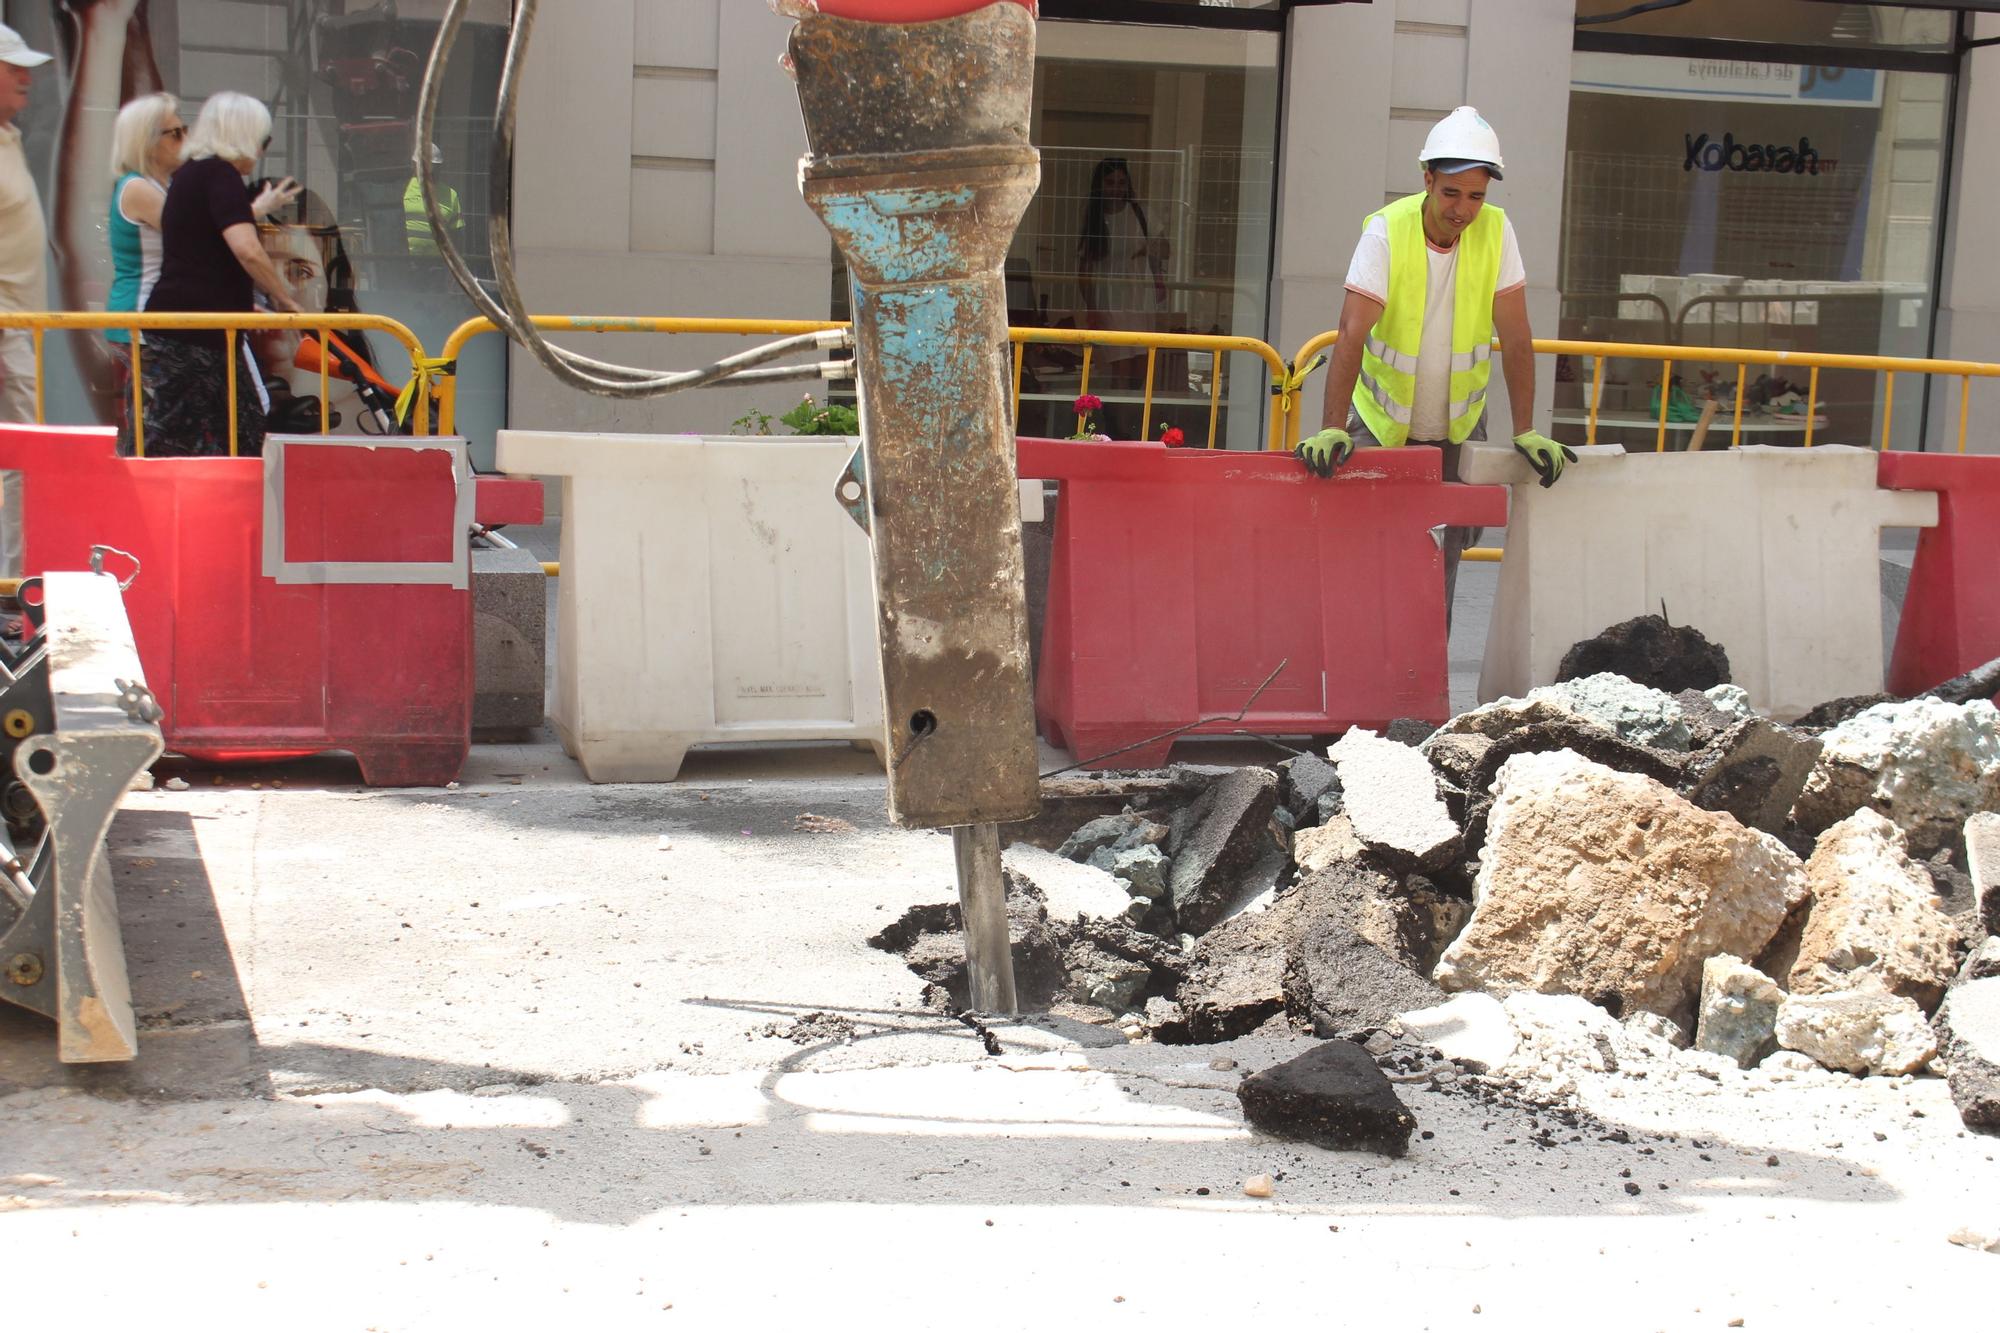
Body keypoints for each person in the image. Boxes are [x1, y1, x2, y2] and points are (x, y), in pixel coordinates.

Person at [1297, 106, 1574, 617]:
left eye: (1476, 195)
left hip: (1456, 428)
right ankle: (1361, 680)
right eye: (1451, 193)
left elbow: (1516, 336)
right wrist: (1332, 426)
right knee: (1364, 554)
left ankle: (1424, 692)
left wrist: (1528, 428)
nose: (1462, 210)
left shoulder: (1496, 230)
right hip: (1380, 427)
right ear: (1427, 179)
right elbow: (1352, 333)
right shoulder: (1387, 231)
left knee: (1439, 567)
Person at [140, 90, 302, 456]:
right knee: (190, 433)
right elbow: (246, 249)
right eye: (262, 140)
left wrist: (245, 302)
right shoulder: (218, 175)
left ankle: (220, 504)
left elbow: (205, 250)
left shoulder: (195, 175)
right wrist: (286, 298)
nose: (261, 151)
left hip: (198, 329)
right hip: (192, 332)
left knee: (229, 427)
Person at [0, 23, 53, 578]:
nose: (25, 76)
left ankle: (12, 587)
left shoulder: (9, 138)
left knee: (21, 461)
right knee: (18, 460)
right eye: (12, 64)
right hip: (6, 329)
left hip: (17, 330)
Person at [101, 91, 181, 448]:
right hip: (140, 320)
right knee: (152, 423)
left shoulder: (162, 185)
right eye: (175, 133)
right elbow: (197, 237)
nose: (185, 140)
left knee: (157, 420)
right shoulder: (138, 188)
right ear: (148, 143)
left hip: (153, 321)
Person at [1075, 156, 1169, 439]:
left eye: (1121, 182)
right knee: (1120, 371)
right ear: (1100, 186)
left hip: (1140, 299)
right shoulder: (1094, 218)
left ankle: (1127, 428)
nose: (1116, 188)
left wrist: (1150, 250)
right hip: (1110, 301)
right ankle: (1119, 433)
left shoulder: (1141, 214)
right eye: (1110, 182)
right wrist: (1093, 308)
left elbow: (1165, 250)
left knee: (1140, 369)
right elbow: (1085, 270)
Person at [403, 141, 462, 257]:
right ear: (415, 166)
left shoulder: (451, 195)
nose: (431, 172)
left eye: (434, 167)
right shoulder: (403, 189)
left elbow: (456, 235)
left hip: (438, 264)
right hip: (407, 263)